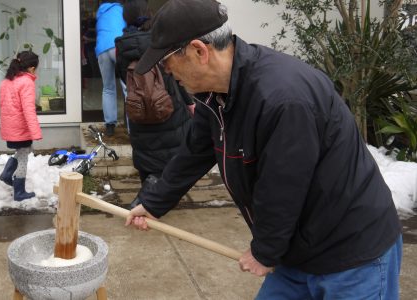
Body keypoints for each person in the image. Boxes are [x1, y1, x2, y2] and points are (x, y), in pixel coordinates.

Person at [125, 0, 402, 298]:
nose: (166, 72)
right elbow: (194, 152)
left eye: (167, 61)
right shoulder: (214, 94)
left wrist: (265, 251)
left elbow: (283, 184)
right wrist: (154, 203)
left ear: (198, 51)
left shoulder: (282, 98)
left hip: (352, 252)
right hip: (297, 251)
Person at [114, 0, 194, 186]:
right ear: (149, 13)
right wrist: (189, 102)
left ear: (126, 18)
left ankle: (149, 187)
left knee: (146, 155)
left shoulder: (123, 47)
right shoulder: (161, 41)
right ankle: (157, 193)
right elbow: (177, 76)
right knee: (173, 155)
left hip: (139, 111)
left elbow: (122, 77)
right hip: (169, 108)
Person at [0, 51, 41, 201]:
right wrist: (35, 132)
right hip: (21, 128)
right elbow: (29, 110)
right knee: (24, 158)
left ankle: (7, 174)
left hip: (11, 128)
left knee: (24, 151)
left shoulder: (6, 81)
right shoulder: (26, 82)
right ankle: (19, 191)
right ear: (31, 68)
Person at [95, 0, 126, 136]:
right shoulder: (122, 10)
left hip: (101, 49)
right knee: (128, 87)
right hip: (118, 46)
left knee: (108, 88)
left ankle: (110, 126)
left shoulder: (100, 12)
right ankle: (133, 128)